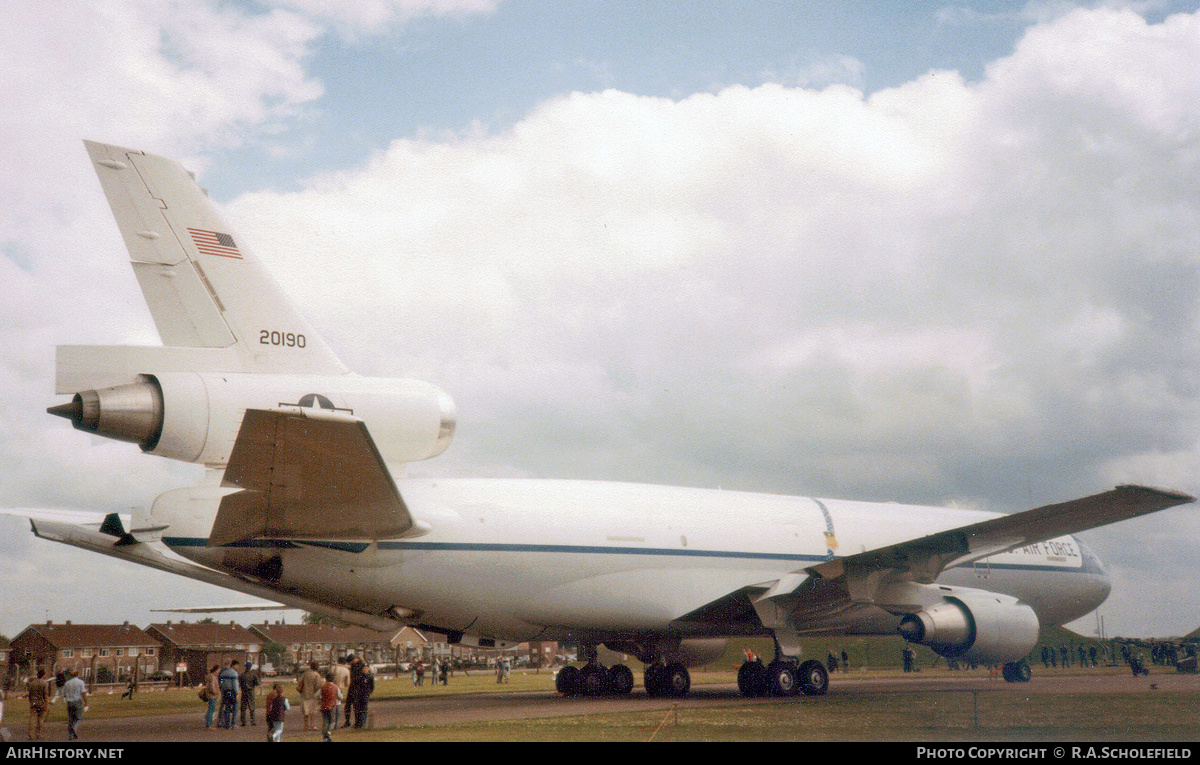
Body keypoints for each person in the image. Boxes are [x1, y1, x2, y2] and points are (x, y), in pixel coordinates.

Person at [60, 669, 87, 741]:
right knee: (78, 718)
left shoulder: (67, 683)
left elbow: (64, 694)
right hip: (77, 701)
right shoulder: (80, 682)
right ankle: (74, 728)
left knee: (71, 719)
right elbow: (83, 693)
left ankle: (71, 736)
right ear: (77, 674)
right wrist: (86, 702)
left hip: (69, 702)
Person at [297, 660, 323, 731]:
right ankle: (312, 725)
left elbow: (299, 682)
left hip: (304, 694)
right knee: (313, 712)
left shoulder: (305, 673)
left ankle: (306, 725)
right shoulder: (317, 675)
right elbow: (319, 686)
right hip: (313, 696)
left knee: (305, 711)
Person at [27, 669, 51, 741]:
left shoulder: (32, 683)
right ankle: (38, 734)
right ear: (43, 675)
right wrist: (47, 704)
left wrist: (31, 701)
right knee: (40, 718)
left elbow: (30, 694)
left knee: (32, 718)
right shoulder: (45, 683)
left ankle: (31, 734)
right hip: (41, 702)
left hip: (33, 702)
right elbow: (45, 695)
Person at [319, 671, 342, 742]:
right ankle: (328, 732)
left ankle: (325, 736)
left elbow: (316, 695)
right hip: (331, 706)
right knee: (332, 721)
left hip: (323, 706)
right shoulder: (335, 687)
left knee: (325, 721)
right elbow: (341, 697)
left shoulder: (323, 687)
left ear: (326, 679)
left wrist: (321, 698)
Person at [218, 660, 240, 729]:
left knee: (227, 707)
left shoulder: (223, 673)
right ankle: (233, 723)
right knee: (235, 707)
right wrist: (237, 693)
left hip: (225, 691)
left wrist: (222, 689)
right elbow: (235, 684)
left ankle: (227, 724)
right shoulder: (234, 673)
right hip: (232, 691)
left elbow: (221, 682)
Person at [239, 662, 260, 726]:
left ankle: (243, 721)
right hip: (251, 692)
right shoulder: (253, 675)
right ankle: (252, 720)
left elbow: (239, 684)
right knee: (252, 707)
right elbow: (257, 683)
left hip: (244, 692)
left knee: (243, 707)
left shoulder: (241, 675)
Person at [332, 657, 350, 728]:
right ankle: (336, 722)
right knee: (337, 705)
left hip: (332, 687)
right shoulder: (346, 670)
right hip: (340, 688)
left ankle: (331, 722)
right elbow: (347, 683)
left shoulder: (333, 668)